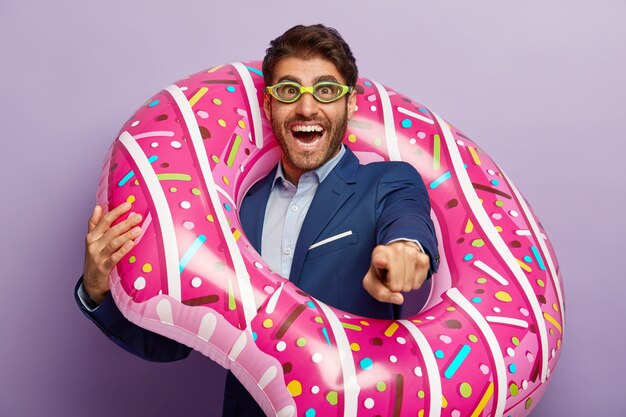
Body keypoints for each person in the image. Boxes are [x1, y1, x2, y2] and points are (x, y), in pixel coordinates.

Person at [76, 24, 439, 416]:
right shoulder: (234, 210)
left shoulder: (386, 181)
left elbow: (408, 223)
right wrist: (98, 292)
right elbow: (176, 339)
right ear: (268, 106)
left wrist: (405, 254)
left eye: (326, 90)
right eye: (288, 91)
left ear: (350, 104)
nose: (306, 108)